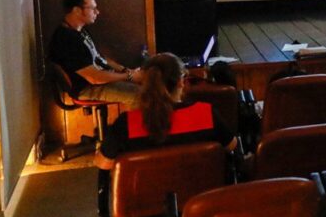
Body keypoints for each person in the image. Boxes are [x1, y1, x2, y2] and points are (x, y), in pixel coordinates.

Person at [94, 53, 237, 170]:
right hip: (203, 201)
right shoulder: (205, 113)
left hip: (144, 203)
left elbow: (103, 163)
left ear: (143, 82)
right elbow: (231, 146)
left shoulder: (125, 124)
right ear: (181, 82)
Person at [48, 0, 143, 109]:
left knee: (146, 86)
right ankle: (132, 127)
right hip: (86, 88)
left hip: (98, 81)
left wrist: (126, 70)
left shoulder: (80, 31)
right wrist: (129, 76)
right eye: (93, 8)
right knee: (141, 95)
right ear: (77, 10)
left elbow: (100, 58)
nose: (97, 12)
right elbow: (94, 78)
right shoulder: (66, 39)